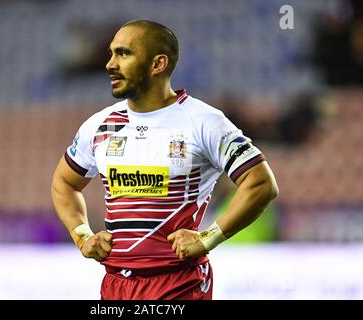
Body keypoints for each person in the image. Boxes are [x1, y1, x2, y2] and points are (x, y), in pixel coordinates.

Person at [51, 20, 279, 300]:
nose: (110, 64)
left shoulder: (201, 121)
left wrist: (209, 237)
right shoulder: (103, 125)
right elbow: (64, 183)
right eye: (111, 53)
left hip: (178, 283)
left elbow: (261, 183)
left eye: (123, 54)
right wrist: (82, 235)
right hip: (116, 285)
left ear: (158, 64)